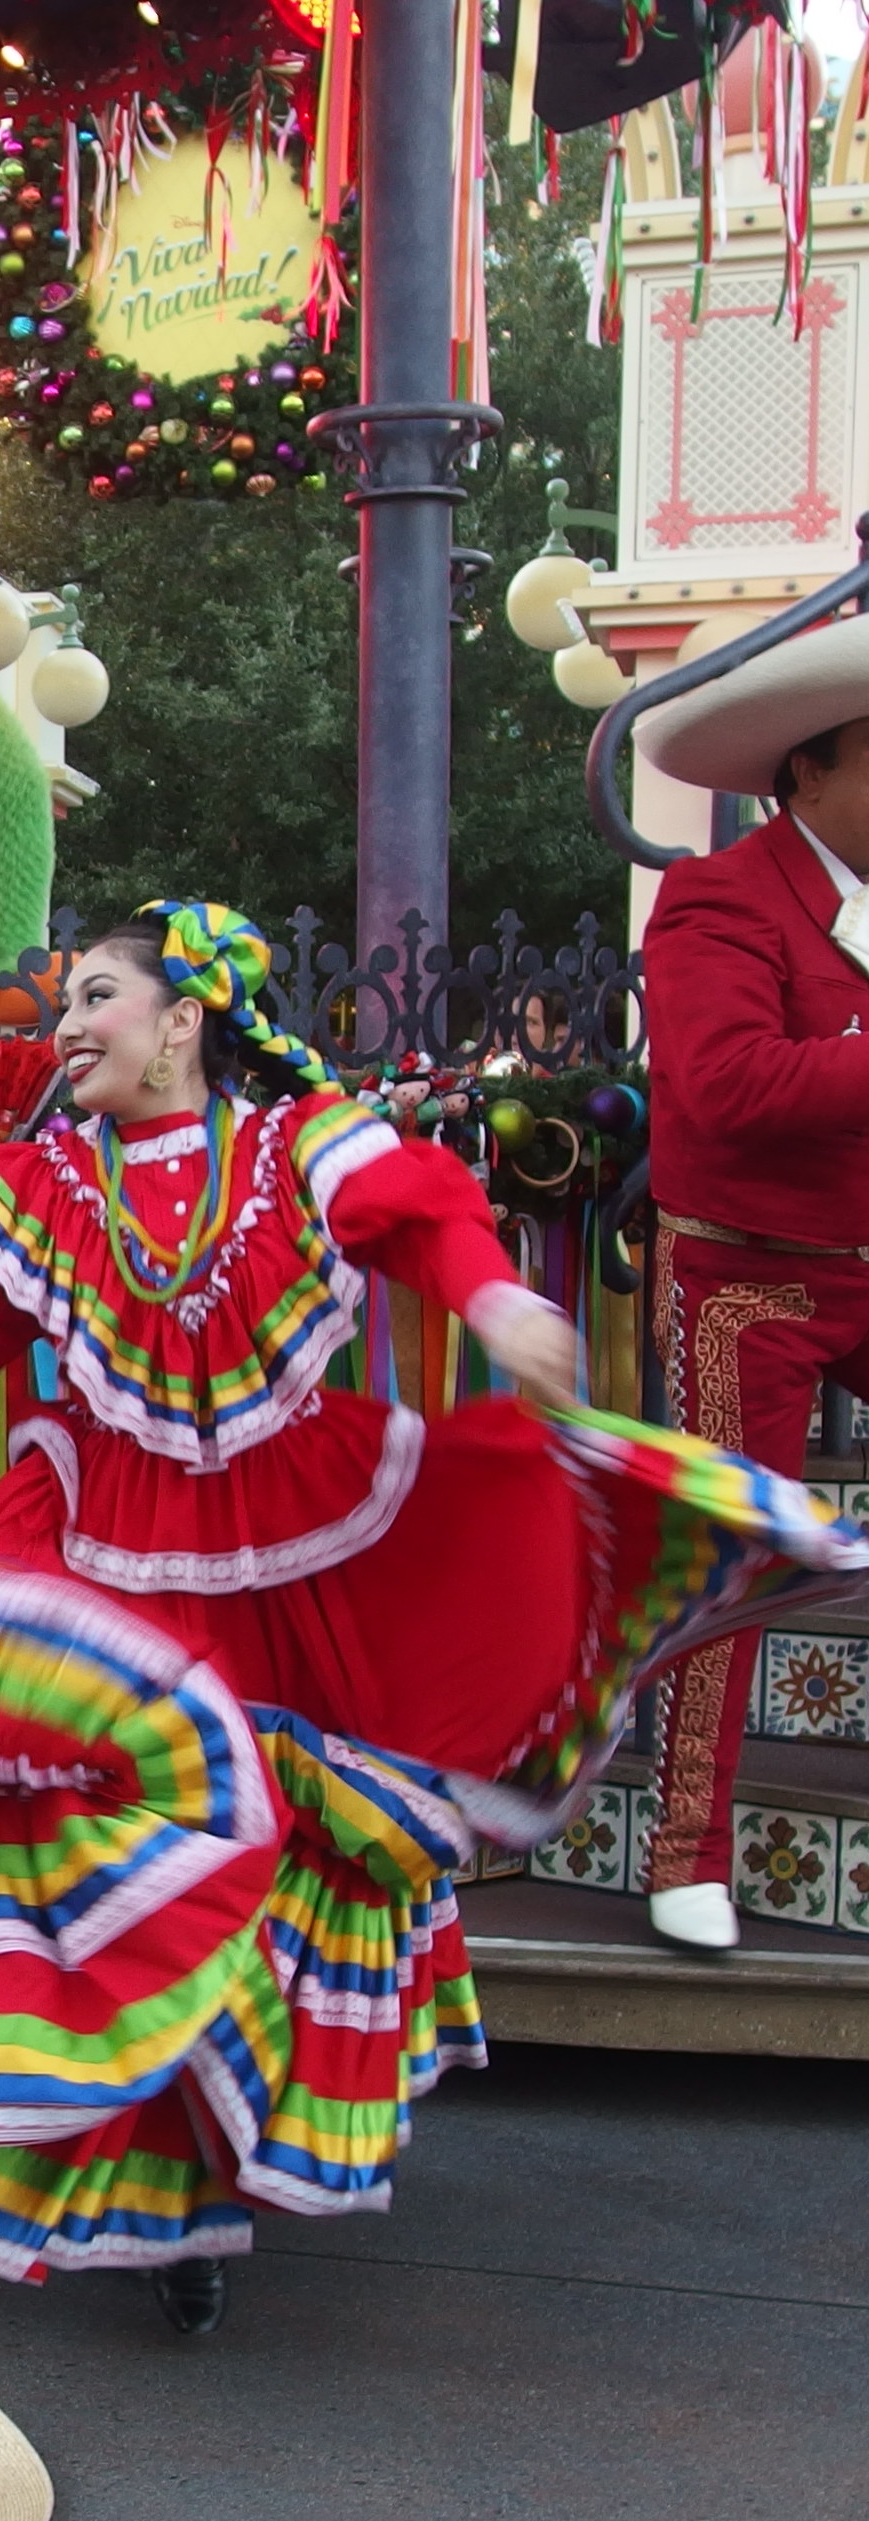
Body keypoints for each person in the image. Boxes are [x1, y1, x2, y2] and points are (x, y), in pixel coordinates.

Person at [0, 901, 869, 2334]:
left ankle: (219, 2177)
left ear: (183, 1017)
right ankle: (148, 2195)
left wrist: (498, 1304)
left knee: (281, 1864)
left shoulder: (297, 1149)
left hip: (295, 1558)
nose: (65, 1026)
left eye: (97, 998)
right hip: (103, 1568)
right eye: (67, 1002)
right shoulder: (22, 1195)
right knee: (95, 1868)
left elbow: (421, 1217)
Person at [634, 616, 869, 1954]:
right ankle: (686, 1851)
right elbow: (726, 1087)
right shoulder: (718, 896)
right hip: (750, 1280)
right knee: (735, 1554)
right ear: (809, 773)